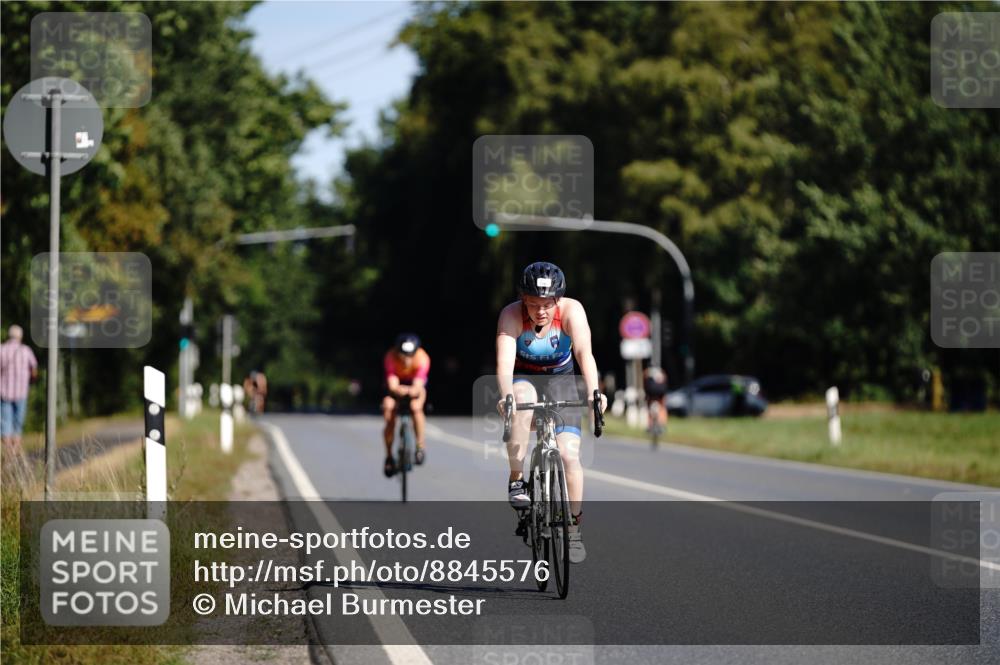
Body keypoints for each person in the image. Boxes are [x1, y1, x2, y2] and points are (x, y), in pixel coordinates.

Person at [496, 262, 607, 564]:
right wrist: (506, 395)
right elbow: (505, 363)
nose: (540, 311)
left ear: (558, 300)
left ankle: (572, 528)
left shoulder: (572, 311)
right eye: (533, 304)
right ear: (523, 300)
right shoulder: (511, 314)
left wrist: (595, 393)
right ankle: (517, 478)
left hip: (561, 380)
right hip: (524, 378)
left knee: (570, 455)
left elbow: (584, 351)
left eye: (546, 304)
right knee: (520, 398)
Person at [381, 333, 430, 477]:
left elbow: (418, 385)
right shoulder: (390, 357)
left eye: (410, 355)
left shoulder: (423, 358)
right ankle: (389, 456)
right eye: (403, 355)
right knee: (388, 408)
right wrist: (397, 390)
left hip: (414, 385)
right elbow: (392, 383)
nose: (406, 359)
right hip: (396, 386)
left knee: (416, 407)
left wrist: (411, 391)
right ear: (397, 352)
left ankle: (420, 446)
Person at [1, 325, 38, 454]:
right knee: (18, 425)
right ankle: (14, 454)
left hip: (4, 392)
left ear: (9, 336)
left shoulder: (2, 349)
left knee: (5, 424)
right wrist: (31, 381)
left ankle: (8, 453)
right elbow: (34, 370)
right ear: (20, 336)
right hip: (21, 392)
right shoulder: (26, 350)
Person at [643, 365, 669, 431]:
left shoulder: (647, 372)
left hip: (651, 393)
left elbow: (644, 382)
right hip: (661, 393)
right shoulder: (661, 372)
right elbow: (665, 381)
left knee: (649, 407)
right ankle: (663, 424)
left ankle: (650, 425)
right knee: (662, 407)